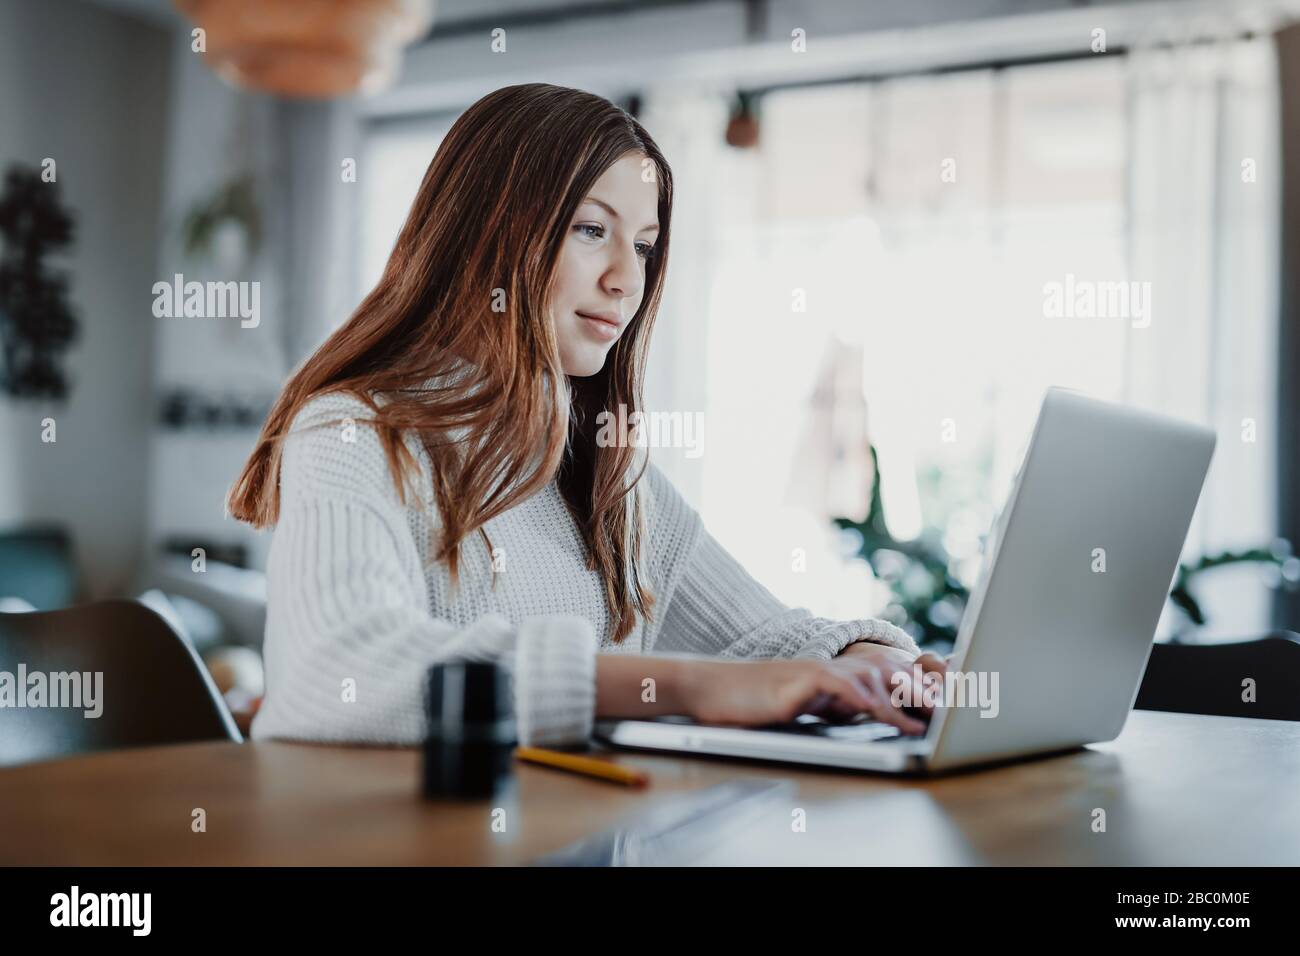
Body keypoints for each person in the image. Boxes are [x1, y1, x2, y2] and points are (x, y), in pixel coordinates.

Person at [226, 82, 947, 749]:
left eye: (642, 246)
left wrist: (871, 659)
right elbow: (337, 676)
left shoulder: (606, 470)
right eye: (591, 230)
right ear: (486, 233)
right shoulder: (353, 433)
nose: (627, 279)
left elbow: (764, 644)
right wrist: (687, 686)